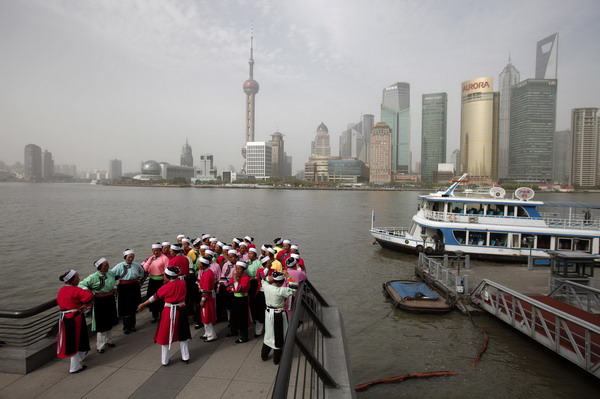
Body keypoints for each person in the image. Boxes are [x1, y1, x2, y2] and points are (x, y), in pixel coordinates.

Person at [137, 266, 191, 366]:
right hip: (182, 309)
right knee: (183, 334)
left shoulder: (165, 287)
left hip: (169, 311)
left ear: (167, 276)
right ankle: (185, 356)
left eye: (164, 275)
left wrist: (143, 304)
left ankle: (165, 360)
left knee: (165, 335)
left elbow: (154, 297)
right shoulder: (182, 283)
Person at [79, 257, 119, 353]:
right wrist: (88, 290)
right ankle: (100, 346)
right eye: (105, 265)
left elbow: (114, 281)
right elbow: (81, 284)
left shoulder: (110, 273)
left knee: (109, 321)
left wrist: (114, 288)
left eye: (108, 265)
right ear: (100, 267)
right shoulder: (93, 277)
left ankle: (109, 340)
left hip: (110, 299)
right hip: (99, 301)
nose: (108, 267)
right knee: (101, 324)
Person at [56, 269, 93, 373]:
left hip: (64, 318)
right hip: (75, 318)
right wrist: (85, 305)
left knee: (71, 340)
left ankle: (80, 358)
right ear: (72, 280)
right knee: (75, 340)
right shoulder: (76, 290)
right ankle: (75, 366)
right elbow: (89, 296)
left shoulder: (62, 290)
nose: (79, 279)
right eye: (77, 277)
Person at [261, 271, 297, 364]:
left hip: (268, 313)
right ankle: (276, 360)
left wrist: (268, 279)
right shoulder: (281, 291)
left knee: (268, 335)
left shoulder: (266, 286)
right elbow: (294, 287)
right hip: (278, 314)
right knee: (278, 337)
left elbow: (263, 280)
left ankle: (264, 356)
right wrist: (288, 276)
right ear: (281, 283)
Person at [111, 249, 144, 334]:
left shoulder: (136, 265)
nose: (131, 259)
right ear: (125, 257)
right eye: (129, 257)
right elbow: (111, 275)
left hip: (134, 287)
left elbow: (142, 273)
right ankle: (126, 327)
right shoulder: (119, 266)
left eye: (132, 257)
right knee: (125, 307)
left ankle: (132, 326)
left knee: (134, 306)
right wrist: (114, 286)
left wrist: (138, 277)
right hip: (123, 287)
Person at [142, 243, 170, 322]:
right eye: (154, 251)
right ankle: (155, 315)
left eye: (157, 251)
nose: (155, 252)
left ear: (160, 250)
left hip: (161, 281)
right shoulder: (151, 258)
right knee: (152, 297)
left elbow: (167, 270)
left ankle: (162, 315)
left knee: (161, 298)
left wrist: (165, 280)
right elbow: (145, 268)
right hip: (152, 280)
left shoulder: (165, 258)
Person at [226, 261, 251, 343]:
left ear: (243, 269)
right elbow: (229, 287)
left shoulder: (246, 278)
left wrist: (235, 281)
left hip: (242, 300)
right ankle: (234, 331)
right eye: (236, 269)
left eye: (239, 269)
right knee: (233, 316)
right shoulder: (236, 276)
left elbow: (238, 289)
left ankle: (244, 337)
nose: (237, 271)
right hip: (235, 298)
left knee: (242, 318)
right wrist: (234, 287)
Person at [197, 257, 217, 341]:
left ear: (203, 265)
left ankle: (211, 335)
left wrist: (203, 299)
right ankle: (207, 333)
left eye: (199, 263)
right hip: (207, 295)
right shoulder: (207, 272)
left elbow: (207, 289)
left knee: (206, 316)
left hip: (207, 297)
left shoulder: (208, 274)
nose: (198, 265)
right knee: (204, 315)